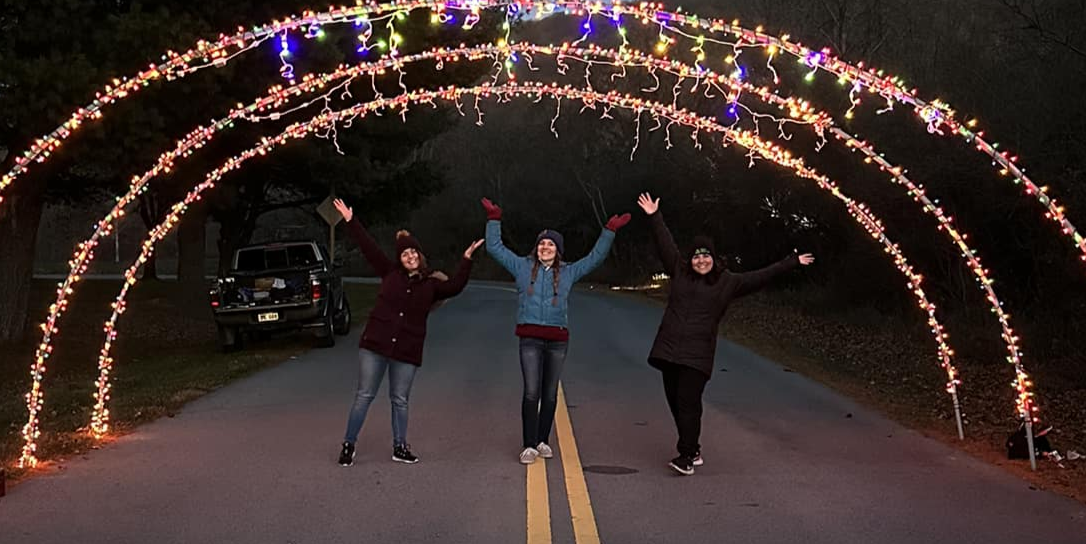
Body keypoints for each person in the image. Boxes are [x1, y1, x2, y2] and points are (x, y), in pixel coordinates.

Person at [637, 192, 815, 476]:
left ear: (713, 258)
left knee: (688, 401)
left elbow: (760, 276)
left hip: (698, 355)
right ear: (690, 259)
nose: (701, 260)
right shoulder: (679, 272)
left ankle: (685, 455)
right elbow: (665, 244)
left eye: (706, 255)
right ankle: (693, 448)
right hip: (669, 350)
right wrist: (654, 216)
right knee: (674, 401)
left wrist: (790, 262)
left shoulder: (727, 282)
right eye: (696, 256)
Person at [334, 198, 484, 467]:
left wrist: (466, 259)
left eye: (413, 253)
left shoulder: (430, 285)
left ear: (419, 255)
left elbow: (456, 286)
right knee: (364, 395)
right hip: (375, 345)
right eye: (405, 254)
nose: (410, 257)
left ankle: (400, 447)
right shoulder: (388, 272)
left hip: (407, 350)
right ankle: (349, 444)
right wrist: (350, 220)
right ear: (399, 259)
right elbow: (367, 246)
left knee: (399, 400)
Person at [482, 197, 631, 464]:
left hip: (557, 340)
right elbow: (494, 248)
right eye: (542, 244)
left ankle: (542, 440)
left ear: (558, 250)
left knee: (549, 392)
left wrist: (609, 231)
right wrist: (494, 219)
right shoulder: (522, 267)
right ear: (536, 248)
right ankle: (528, 445)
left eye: (550, 244)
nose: (545, 247)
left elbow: (595, 258)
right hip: (529, 338)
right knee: (531, 391)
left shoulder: (569, 272)